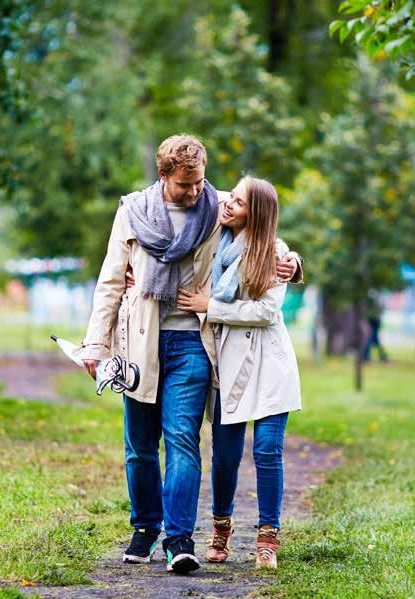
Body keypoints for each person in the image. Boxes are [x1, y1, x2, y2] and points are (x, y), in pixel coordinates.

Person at [79, 135, 301, 574]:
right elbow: (109, 282)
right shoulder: (132, 213)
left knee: (182, 439)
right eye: (186, 185)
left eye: (201, 182)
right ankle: (145, 527)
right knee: (140, 446)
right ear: (164, 176)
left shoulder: (217, 208)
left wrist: (293, 261)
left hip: (193, 343)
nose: (197, 192)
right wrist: (94, 344)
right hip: (141, 341)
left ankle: (179, 539)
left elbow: (261, 234)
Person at [176, 175, 301, 570]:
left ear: (257, 214)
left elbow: (266, 313)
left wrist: (210, 306)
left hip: (269, 365)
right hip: (227, 363)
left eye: (240, 203)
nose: (228, 204)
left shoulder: (274, 253)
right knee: (225, 456)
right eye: (231, 196)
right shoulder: (215, 243)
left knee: (267, 450)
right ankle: (221, 529)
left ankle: (267, 538)